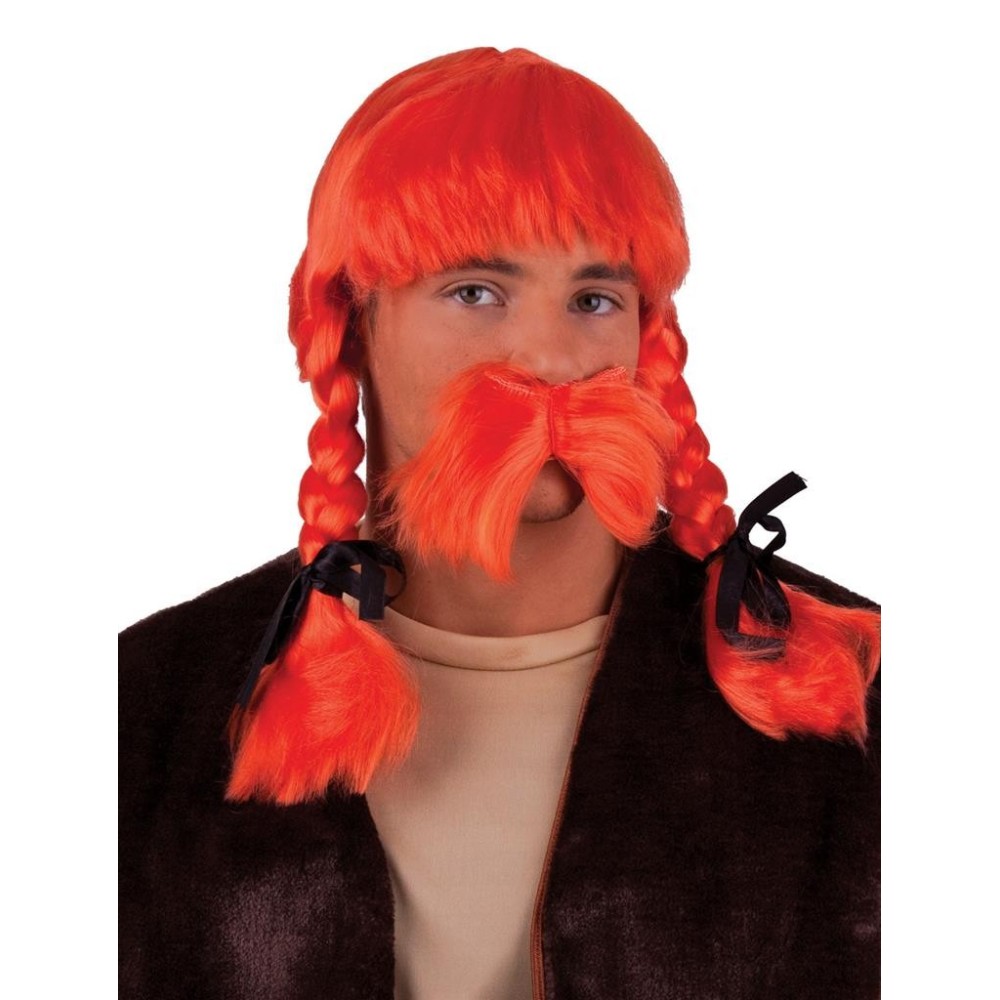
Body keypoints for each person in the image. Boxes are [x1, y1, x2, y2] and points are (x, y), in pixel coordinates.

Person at [119, 47, 880, 1000]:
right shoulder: (141, 706)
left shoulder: (860, 686)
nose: (551, 357)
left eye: (594, 299)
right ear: (352, 326)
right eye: (476, 292)